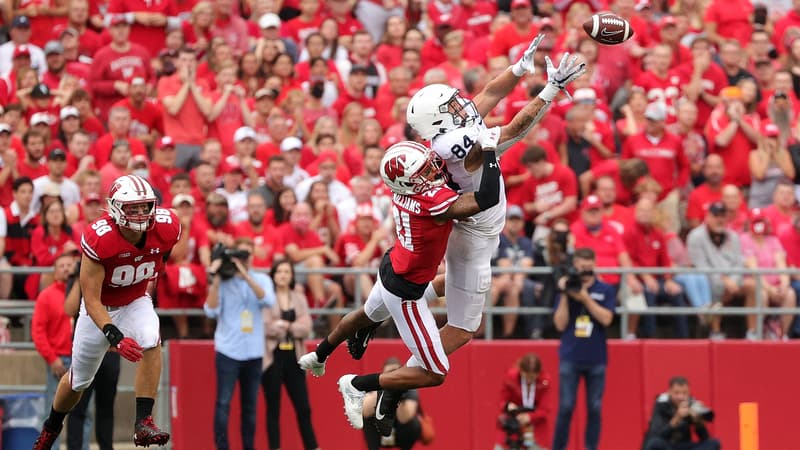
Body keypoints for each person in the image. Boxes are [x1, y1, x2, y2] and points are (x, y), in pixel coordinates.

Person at [346, 33, 586, 396]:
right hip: (475, 231)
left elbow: (486, 96)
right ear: (439, 123)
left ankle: (376, 319)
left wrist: (518, 69)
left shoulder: (449, 129)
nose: (460, 105)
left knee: (449, 284)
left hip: (473, 227)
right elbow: (514, 130)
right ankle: (389, 386)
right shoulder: (452, 144)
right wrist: (551, 89)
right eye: (451, 106)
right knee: (462, 328)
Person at [297, 138, 502, 434]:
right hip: (407, 292)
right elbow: (486, 198)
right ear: (411, 181)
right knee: (435, 372)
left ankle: (320, 353)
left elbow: (433, 172)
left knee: (366, 315)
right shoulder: (430, 201)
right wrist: (491, 152)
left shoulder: (404, 190)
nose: (432, 170)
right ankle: (356, 385)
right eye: (424, 171)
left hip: (393, 266)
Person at [33, 174, 178, 449]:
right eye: (131, 208)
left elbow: (165, 253)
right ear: (114, 208)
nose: (139, 214)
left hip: (135, 298)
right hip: (99, 309)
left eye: (144, 206)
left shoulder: (167, 226)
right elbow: (91, 299)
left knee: (152, 338)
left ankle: (143, 422)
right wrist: (116, 336)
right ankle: (51, 427)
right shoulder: (101, 238)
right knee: (78, 381)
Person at [204, 237, 275, 450]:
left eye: (247, 255)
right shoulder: (224, 280)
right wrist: (217, 278)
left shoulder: (261, 279)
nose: (242, 259)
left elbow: (268, 300)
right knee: (223, 403)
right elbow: (210, 310)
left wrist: (244, 275)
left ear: (252, 256)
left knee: (250, 407)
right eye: (239, 255)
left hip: (253, 351)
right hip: (228, 350)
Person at [552, 248, 615, 450]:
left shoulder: (605, 289)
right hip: (570, 355)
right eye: (581, 265)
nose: (585, 269)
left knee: (595, 408)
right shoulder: (568, 287)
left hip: (596, 357)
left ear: (594, 264)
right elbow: (559, 325)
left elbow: (607, 319)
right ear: (576, 265)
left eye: (588, 265)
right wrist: (564, 294)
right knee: (566, 407)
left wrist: (585, 298)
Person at [262, 259, 320, 450]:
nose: (283, 275)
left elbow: (306, 327)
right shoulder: (267, 298)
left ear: (292, 275)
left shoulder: (299, 298)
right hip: (273, 356)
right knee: (273, 408)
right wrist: (283, 327)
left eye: (287, 271)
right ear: (273, 275)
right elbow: (265, 326)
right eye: (279, 271)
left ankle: (312, 446)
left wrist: (285, 326)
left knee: (304, 407)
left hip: (295, 357)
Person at [31, 253, 78, 450]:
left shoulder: (81, 294)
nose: (66, 268)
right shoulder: (47, 296)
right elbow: (38, 331)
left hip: (80, 359)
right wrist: (52, 359)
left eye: (70, 265)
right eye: (62, 265)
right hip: (60, 360)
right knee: (54, 411)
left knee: (82, 413)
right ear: (55, 271)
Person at [642, 376, 720, 450]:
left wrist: (698, 422)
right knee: (654, 443)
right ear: (669, 392)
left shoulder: (691, 404)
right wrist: (677, 418)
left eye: (684, 393)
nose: (681, 397)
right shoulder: (661, 405)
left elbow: (705, 438)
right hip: (666, 445)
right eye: (677, 393)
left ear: (689, 392)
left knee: (714, 443)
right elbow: (657, 435)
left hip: (682, 445)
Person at [362, 357, 422, 450]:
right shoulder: (376, 386)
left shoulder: (409, 388)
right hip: (378, 430)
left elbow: (406, 418)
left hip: (401, 430)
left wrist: (399, 394)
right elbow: (364, 411)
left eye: (396, 372)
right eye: (390, 372)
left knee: (413, 424)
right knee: (368, 419)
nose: (393, 375)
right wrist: (384, 387)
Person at [494, 353, 552, 450]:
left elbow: (545, 409)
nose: (529, 380)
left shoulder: (544, 382)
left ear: (538, 373)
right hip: (513, 425)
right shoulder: (510, 378)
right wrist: (508, 406)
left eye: (532, 377)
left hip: (536, 428)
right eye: (526, 376)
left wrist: (529, 417)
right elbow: (502, 401)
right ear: (520, 371)